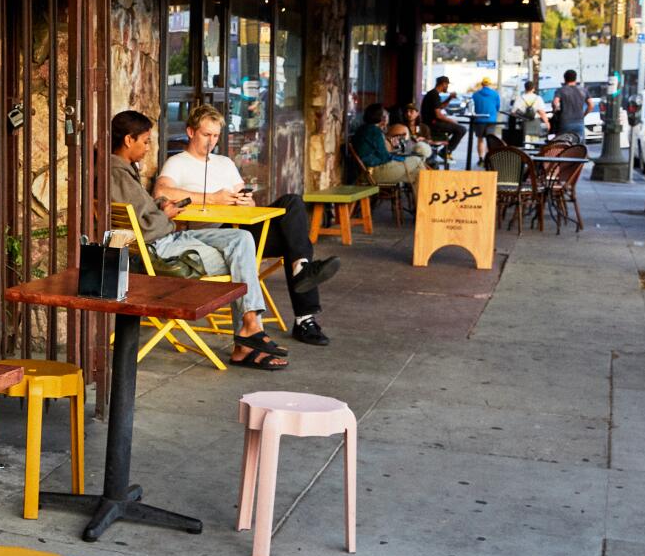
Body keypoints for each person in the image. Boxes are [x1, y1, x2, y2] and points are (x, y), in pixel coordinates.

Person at [108, 109, 287, 370]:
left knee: (243, 239)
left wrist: (160, 206)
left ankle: (250, 329)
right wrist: (167, 214)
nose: (148, 148)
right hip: (160, 250)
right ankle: (247, 340)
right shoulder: (118, 173)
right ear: (128, 140)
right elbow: (147, 228)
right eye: (145, 141)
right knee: (244, 260)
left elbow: (141, 210)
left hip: (169, 239)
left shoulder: (122, 170)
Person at [151, 104, 339, 347]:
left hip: (240, 227)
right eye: (206, 135)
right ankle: (305, 318)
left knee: (292, 205)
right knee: (297, 243)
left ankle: (301, 271)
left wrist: (246, 201)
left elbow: (244, 198)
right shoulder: (178, 162)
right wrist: (212, 198)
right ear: (190, 131)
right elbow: (161, 191)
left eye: (216, 136)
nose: (212, 141)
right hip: (211, 236)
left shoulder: (224, 162)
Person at [352, 105, 424, 185]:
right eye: (386, 114)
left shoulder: (365, 128)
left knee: (418, 174)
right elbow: (384, 157)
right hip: (373, 171)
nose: (388, 116)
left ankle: (423, 196)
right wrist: (400, 158)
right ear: (381, 118)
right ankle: (427, 195)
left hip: (367, 171)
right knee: (418, 160)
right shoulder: (374, 131)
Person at [420, 76, 466, 154]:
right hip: (432, 124)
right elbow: (438, 115)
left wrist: (450, 98)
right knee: (461, 129)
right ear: (444, 84)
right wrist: (452, 121)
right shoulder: (434, 94)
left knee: (455, 128)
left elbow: (440, 107)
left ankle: (442, 148)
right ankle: (445, 151)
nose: (447, 87)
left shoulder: (434, 94)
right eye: (447, 84)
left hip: (431, 122)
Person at [553, 70, 590, 144]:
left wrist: (555, 110)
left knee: (564, 145)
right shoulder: (583, 90)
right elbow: (591, 104)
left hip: (565, 121)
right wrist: (584, 114)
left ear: (564, 78)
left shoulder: (561, 90)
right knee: (580, 145)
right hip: (579, 121)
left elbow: (555, 102)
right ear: (575, 78)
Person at [470, 77, 502, 145]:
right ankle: (489, 155)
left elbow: (472, 107)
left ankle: (481, 156)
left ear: (482, 84)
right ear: (490, 84)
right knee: (490, 140)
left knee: (480, 139)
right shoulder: (495, 94)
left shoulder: (475, 95)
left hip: (479, 120)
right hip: (491, 120)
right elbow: (498, 107)